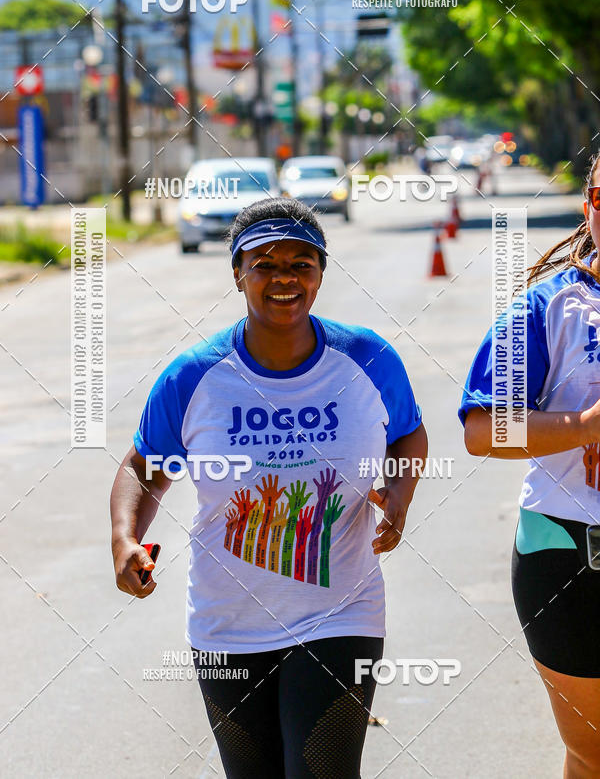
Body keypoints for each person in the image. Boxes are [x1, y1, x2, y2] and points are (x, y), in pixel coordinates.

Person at [110, 196, 427, 778]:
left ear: (321, 274)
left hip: (341, 612)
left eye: (302, 264)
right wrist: (126, 538)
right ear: (238, 273)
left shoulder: (368, 358)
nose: (285, 278)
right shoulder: (194, 376)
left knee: (322, 772)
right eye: (265, 264)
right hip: (228, 622)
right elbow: (143, 466)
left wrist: (400, 495)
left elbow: (407, 436)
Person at [459, 155, 600, 778]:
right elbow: (482, 428)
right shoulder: (549, 307)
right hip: (568, 552)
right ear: (588, 203)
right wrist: (581, 426)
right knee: (593, 751)